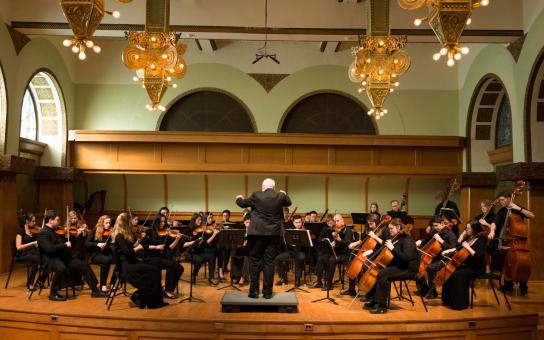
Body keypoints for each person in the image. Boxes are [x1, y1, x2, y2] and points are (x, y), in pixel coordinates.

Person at [236, 178, 292, 299]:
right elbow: (289, 202)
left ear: (263, 186)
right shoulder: (280, 196)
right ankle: (267, 293)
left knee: (255, 261)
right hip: (274, 234)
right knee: (269, 262)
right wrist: (284, 194)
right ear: (274, 187)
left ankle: (254, 291)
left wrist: (238, 197)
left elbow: (242, 204)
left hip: (257, 233)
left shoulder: (256, 195)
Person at [37, 210, 107, 301]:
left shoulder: (54, 230)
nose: (59, 222)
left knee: (84, 265)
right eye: (57, 220)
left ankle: (95, 290)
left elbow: (62, 243)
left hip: (61, 257)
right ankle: (53, 292)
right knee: (61, 268)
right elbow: (49, 249)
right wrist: (64, 245)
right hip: (49, 260)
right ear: (50, 220)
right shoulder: (44, 232)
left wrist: (73, 237)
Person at [111, 213, 167, 309]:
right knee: (154, 271)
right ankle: (150, 301)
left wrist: (141, 241)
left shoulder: (125, 235)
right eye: (129, 221)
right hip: (128, 267)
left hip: (132, 263)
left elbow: (134, 246)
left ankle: (141, 297)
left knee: (155, 268)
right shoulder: (119, 236)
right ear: (125, 223)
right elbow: (127, 252)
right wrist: (137, 248)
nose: (131, 223)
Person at [362, 218, 417, 314]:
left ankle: (382, 306)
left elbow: (406, 258)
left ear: (398, 227)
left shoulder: (408, 240)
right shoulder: (397, 237)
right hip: (398, 265)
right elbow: (386, 247)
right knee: (378, 270)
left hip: (407, 269)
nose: (389, 230)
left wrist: (392, 248)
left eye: (391, 228)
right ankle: (375, 300)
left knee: (383, 274)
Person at [491, 191, 535, 295]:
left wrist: (518, 208)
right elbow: (494, 222)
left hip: (517, 241)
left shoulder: (518, 208)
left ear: (508, 198)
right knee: (507, 262)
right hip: (507, 240)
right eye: (500, 200)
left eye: (502, 200)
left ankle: (523, 285)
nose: (500, 202)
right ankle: (508, 284)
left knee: (522, 261)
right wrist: (492, 230)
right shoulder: (501, 211)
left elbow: (532, 215)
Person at [441, 219, 486, 310]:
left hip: (476, 267)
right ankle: (448, 300)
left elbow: (478, 257)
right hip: (467, 265)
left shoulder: (481, 240)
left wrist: (468, 247)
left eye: (468, 228)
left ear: (474, 229)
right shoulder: (469, 237)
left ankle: (459, 304)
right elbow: (459, 248)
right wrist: (449, 250)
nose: (466, 230)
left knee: (458, 275)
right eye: (466, 228)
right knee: (450, 271)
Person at [142, 214, 184, 298]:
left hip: (161, 257)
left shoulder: (166, 232)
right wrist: (155, 247)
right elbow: (143, 246)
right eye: (161, 221)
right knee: (172, 265)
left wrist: (177, 239)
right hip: (151, 257)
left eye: (164, 221)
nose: (163, 223)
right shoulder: (149, 231)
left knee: (180, 268)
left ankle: (168, 289)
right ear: (156, 221)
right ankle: (167, 291)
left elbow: (171, 247)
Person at [415, 216, 457, 298]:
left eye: (436, 225)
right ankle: (424, 289)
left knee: (430, 268)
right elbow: (428, 240)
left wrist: (441, 241)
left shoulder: (450, 233)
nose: (434, 228)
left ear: (442, 223)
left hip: (445, 258)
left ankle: (433, 292)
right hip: (434, 256)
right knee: (417, 265)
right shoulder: (435, 231)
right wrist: (421, 241)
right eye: (433, 226)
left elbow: (453, 248)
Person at [186, 213, 220, 285]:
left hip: (199, 252)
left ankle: (211, 278)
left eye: (201, 220)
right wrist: (195, 241)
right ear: (194, 220)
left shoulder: (201, 230)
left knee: (211, 257)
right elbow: (184, 244)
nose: (200, 221)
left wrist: (203, 241)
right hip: (189, 252)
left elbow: (206, 242)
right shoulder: (188, 230)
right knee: (199, 260)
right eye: (199, 220)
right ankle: (194, 275)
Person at [275, 215, 307, 287]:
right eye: (296, 222)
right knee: (278, 259)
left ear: (302, 222)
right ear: (293, 223)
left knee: (300, 258)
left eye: (299, 222)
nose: (298, 224)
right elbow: (284, 242)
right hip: (291, 251)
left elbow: (308, 245)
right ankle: (284, 278)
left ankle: (297, 279)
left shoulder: (305, 230)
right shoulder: (289, 230)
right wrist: (290, 243)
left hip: (301, 251)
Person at [85, 215, 116, 292]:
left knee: (119, 260)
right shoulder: (95, 230)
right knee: (106, 260)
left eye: (109, 223)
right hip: (95, 255)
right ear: (102, 223)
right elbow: (87, 243)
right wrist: (97, 244)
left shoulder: (111, 231)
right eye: (106, 223)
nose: (108, 224)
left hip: (107, 253)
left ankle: (112, 283)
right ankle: (103, 285)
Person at [15, 212, 44, 290]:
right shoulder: (20, 231)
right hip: (22, 254)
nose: (35, 223)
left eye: (35, 221)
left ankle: (41, 280)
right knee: (37, 259)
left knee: (45, 257)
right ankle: (30, 283)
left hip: (31, 252)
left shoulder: (34, 230)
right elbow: (18, 247)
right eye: (33, 221)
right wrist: (32, 243)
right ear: (27, 221)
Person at [231, 214, 251, 285]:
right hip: (241, 250)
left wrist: (246, 244)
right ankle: (236, 276)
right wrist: (239, 245)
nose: (248, 224)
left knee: (245, 258)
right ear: (244, 222)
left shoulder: (253, 232)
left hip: (249, 252)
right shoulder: (241, 231)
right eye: (247, 222)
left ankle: (242, 277)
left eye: (250, 222)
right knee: (234, 255)